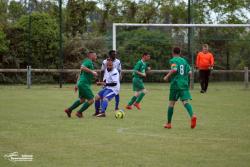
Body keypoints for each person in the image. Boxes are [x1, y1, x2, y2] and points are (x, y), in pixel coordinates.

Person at [163, 47, 196, 129]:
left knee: (171, 103)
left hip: (176, 84)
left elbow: (174, 69)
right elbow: (190, 72)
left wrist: (166, 76)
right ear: (180, 52)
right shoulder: (184, 61)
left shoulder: (173, 60)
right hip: (184, 84)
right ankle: (192, 115)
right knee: (185, 102)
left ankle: (169, 123)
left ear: (173, 52)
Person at [64, 51, 98, 118]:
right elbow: (82, 67)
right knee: (91, 100)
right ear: (91, 56)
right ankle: (79, 113)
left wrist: (77, 84)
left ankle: (69, 110)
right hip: (84, 84)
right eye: (95, 56)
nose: (96, 57)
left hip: (81, 83)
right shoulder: (88, 61)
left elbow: (80, 73)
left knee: (82, 100)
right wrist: (92, 72)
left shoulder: (88, 62)